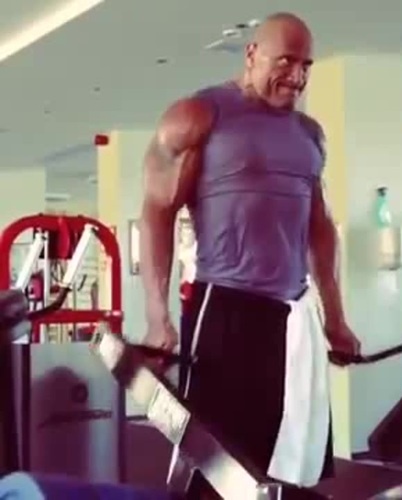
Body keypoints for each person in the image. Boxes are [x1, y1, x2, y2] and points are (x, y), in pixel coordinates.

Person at [139, 11, 361, 490]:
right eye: (286, 61)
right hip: (226, 308)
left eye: (306, 65)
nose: (297, 77)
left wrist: (336, 317)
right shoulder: (198, 116)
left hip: (294, 314)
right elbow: (157, 211)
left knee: (291, 454)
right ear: (251, 54)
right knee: (213, 459)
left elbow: (319, 227)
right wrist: (158, 317)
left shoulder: (309, 134)